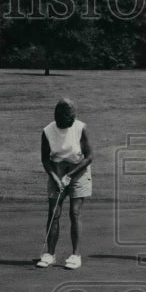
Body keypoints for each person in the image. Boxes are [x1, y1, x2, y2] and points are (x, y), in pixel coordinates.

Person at [38, 98, 93, 269]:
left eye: (70, 121)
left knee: (74, 213)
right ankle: (50, 254)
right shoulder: (47, 131)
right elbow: (45, 159)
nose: (67, 124)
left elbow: (89, 156)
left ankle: (76, 255)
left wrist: (70, 175)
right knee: (54, 212)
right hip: (57, 169)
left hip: (79, 169)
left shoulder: (80, 128)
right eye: (64, 121)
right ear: (57, 117)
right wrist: (55, 177)